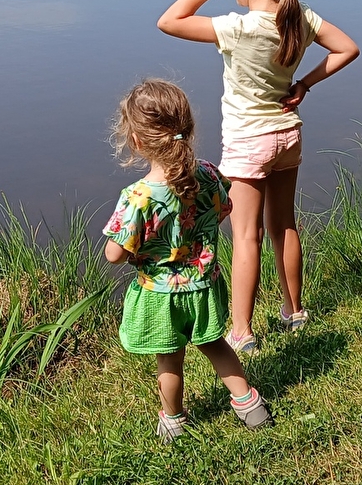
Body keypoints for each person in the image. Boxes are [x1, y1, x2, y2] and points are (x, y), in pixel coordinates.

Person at [158, 0, 360, 354]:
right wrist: (305, 83)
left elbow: (170, 20)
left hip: (248, 142)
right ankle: (294, 311)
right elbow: (347, 49)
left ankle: (241, 332)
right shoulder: (298, 16)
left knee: (246, 236)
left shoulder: (240, 28)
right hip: (288, 135)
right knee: (284, 224)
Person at [102, 79, 273, 442]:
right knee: (215, 344)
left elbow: (115, 254)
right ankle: (250, 406)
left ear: (135, 141)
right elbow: (223, 209)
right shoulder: (210, 174)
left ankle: (174, 421)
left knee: (169, 359)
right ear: (188, 128)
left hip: (159, 295)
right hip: (204, 284)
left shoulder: (138, 196)